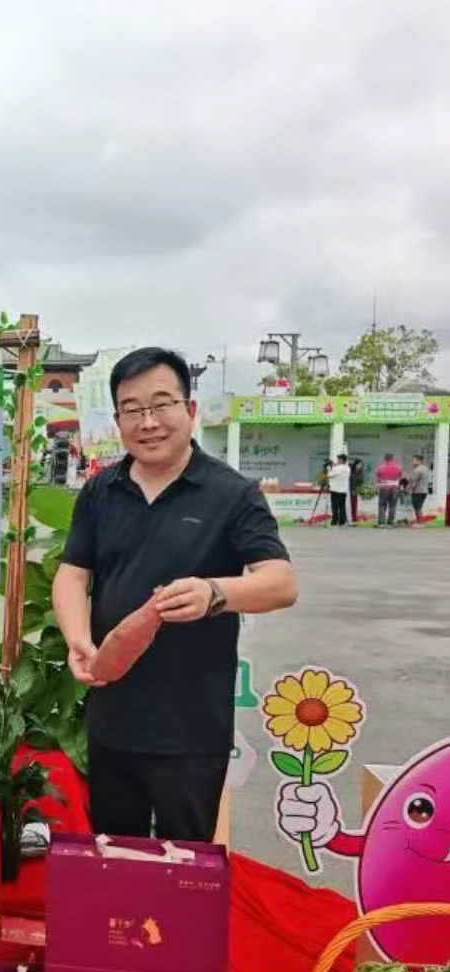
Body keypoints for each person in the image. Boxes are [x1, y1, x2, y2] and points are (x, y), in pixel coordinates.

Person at [52, 346, 297, 843]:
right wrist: (78, 637)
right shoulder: (101, 491)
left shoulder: (231, 493)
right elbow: (73, 574)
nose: (148, 422)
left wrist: (215, 592)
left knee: (187, 861)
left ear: (189, 409)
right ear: (118, 419)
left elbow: (281, 583)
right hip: (113, 715)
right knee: (114, 851)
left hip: (190, 724)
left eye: (161, 404)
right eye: (132, 409)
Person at [375, 452, 403, 526]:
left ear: (385, 458)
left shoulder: (380, 467)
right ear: (392, 458)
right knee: (393, 505)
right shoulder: (398, 467)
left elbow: (378, 477)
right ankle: (390, 522)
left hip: (384, 487)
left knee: (382, 505)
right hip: (395, 488)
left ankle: (381, 523)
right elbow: (400, 476)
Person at [328, 454, 350, 527]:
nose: (337, 461)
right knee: (342, 507)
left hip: (335, 490)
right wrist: (335, 466)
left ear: (341, 460)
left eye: (338, 459)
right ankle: (342, 521)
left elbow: (330, 475)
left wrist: (330, 468)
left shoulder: (337, 468)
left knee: (335, 507)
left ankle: (334, 521)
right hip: (343, 490)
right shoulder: (348, 468)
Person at [409, 453, 432, 524]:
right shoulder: (426, 468)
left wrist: (409, 489)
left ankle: (420, 522)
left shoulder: (417, 470)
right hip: (424, 491)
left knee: (417, 507)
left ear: (419, 461)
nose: (412, 462)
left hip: (418, 491)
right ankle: (419, 522)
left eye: (414, 460)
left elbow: (413, 482)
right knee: (418, 507)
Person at [349, 458, 365, 524]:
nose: (360, 466)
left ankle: (354, 519)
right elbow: (350, 481)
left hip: (356, 490)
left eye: (361, 465)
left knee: (354, 505)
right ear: (356, 464)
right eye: (359, 464)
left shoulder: (361, 471)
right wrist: (352, 489)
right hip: (350, 490)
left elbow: (361, 481)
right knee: (351, 505)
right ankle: (351, 519)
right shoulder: (350, 470)